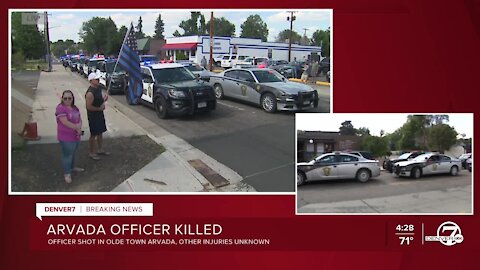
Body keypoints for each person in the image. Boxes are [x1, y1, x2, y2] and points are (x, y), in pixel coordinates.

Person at [55, 90, 84, 183]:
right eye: (65, 98)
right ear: (62, 99)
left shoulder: (75, 108)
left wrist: (79, 126)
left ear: (73, 99)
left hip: (75, 136)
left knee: (73, 153)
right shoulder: (60, 108)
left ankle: (72, 167)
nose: (67, 100)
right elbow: (65, 122)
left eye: (69, 98)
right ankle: (67, 173)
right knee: (67, 155)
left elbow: (79, 118)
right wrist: (77, 127)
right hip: (66, 137)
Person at [85, 72, 110, 160]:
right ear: (91, 81)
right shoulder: (90, 93)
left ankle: (100, 149)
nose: (98, 80)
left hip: (99, 115)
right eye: (96, 79)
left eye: (98, 79)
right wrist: (99, 109)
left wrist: (104, 99)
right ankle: (91, 152)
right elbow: (88, 107)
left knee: (100, 132)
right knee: (93, 134)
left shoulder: (98, 89)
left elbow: (99, 100)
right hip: (93, 116)